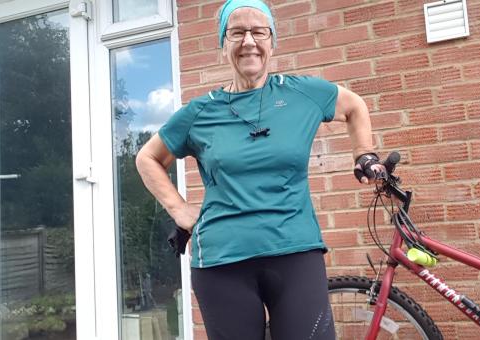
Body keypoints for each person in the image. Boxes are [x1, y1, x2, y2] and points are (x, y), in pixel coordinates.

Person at [135, 0, 383, 338]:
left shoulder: (302, 93)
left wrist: (363, 153)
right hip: (222, 262)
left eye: (258, 32)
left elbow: (355, 105)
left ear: (271, 41)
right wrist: (179, 209)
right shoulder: (199, 112)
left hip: (295, 252)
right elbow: (147, 158)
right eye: (237, 33)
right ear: (224, 44)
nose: (248, 41)